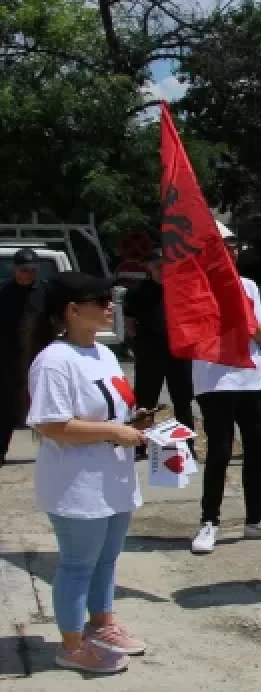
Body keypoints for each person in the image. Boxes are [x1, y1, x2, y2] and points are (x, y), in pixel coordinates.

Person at [26, 272, 149, 673]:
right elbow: (52, 424)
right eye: (100, 300)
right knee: (78, 564)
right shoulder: (54, 361)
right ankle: (71, 644)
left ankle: (101, 623)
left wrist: (139, 422)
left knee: (107, 559)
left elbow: (114, 406)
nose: (110, 306)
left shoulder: (103, 352)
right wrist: (115, 431)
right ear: (72, 310)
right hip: (76, 482)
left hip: (111, 475)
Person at [190, 225, 261, 554]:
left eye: (233, 245)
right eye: (223, 246)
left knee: (258, 448)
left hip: (251, 377)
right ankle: (209, 520)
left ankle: (257, 516)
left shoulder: (248, 286)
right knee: (220, 451)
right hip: (214, 379)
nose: (232, 252)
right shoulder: (195, 287)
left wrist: (248, 321)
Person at [123, 249, 196, 460]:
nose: (162, 270)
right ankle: (139, 445)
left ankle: (187, 445)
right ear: (150, 267)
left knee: (182, 401)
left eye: (166, 265)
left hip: (179, 354)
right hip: (149, 353)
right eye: (158, 266)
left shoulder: (181, 289)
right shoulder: (137, 291)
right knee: (146, 402)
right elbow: (130, 324)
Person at [1, 247, 46, 466]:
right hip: (7, 360)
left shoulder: (45, 294)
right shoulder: (4, 292)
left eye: (32, 270)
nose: (28, 273)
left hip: (38, 358)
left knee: (45, 408)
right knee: (5, 408)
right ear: (14, 269)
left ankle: (52, 453)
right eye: (24, 269)